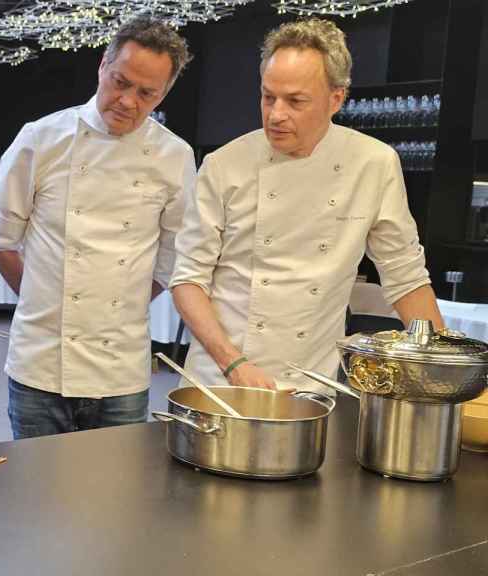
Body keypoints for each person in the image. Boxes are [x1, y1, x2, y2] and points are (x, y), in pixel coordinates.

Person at [170, 19, 443, 394]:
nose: (276, 114)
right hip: (221, 382)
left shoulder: (373, 164)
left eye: (295, 101)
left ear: (337, 98)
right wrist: (233, 362)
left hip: (310, 382)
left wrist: (443, 372)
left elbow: (406, 277)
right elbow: (187, 280)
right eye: (268, 97)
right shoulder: (224, 165)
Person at [0, 15, 196, 439]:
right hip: (40, 364)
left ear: (162, 95)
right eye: (120, 82)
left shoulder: (175, 157)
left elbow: (171, 259)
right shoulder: (40, 139)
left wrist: (120, 304)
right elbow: (1, 242)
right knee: (34, 493)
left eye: (146, 93)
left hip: (120, 370)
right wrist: (46, 302)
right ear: (103, 65)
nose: (127, 101)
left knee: (113, 497)